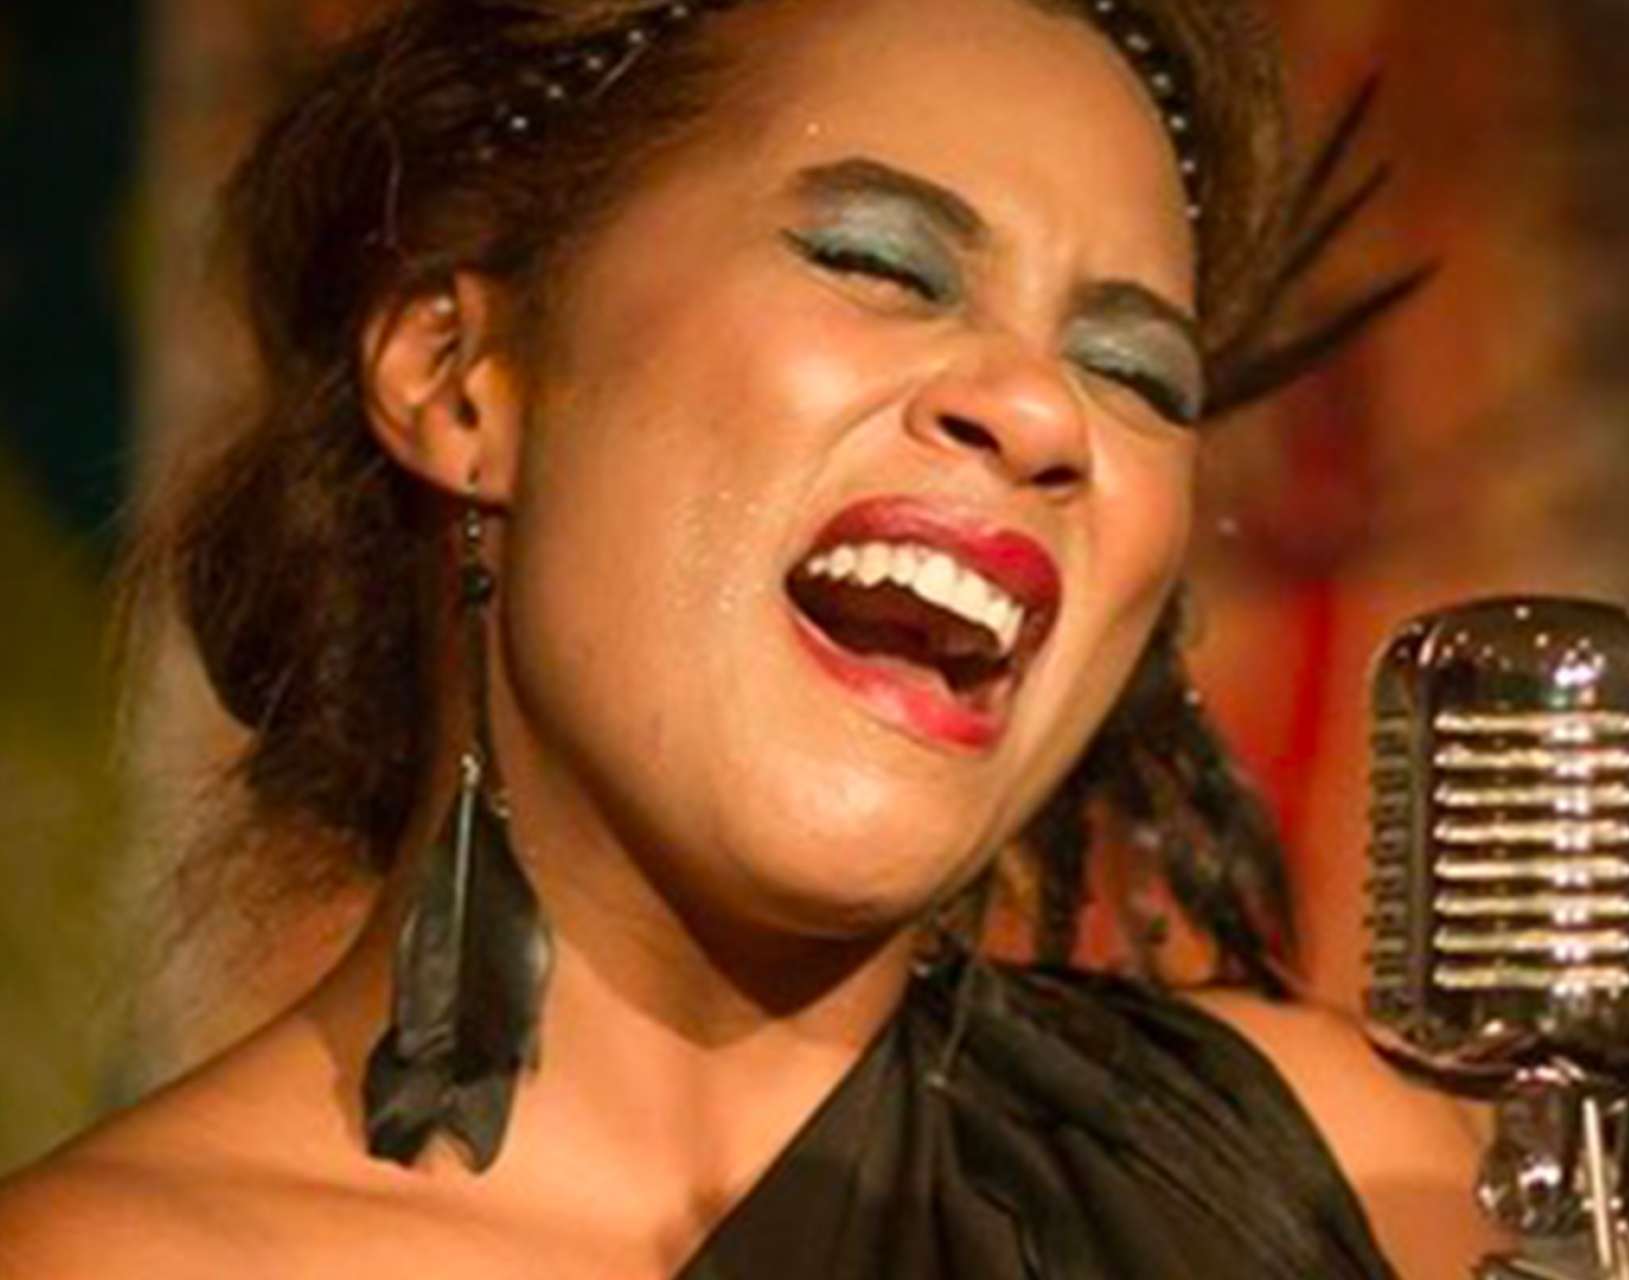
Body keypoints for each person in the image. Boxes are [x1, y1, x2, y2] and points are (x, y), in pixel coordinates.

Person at [0, 0, 1492, 1274]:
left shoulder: (1354, 1185)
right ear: (462, 379)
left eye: (1133, 372)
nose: (1044, 412)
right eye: (879, 263)